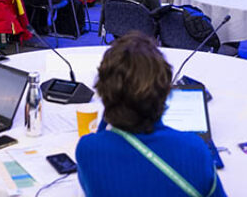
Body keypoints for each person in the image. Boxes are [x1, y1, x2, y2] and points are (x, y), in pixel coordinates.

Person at [76, 33, 225, 197]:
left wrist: (111, 105)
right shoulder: (194, 149)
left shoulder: (87, 149)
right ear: (167, 92)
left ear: (102, 91)